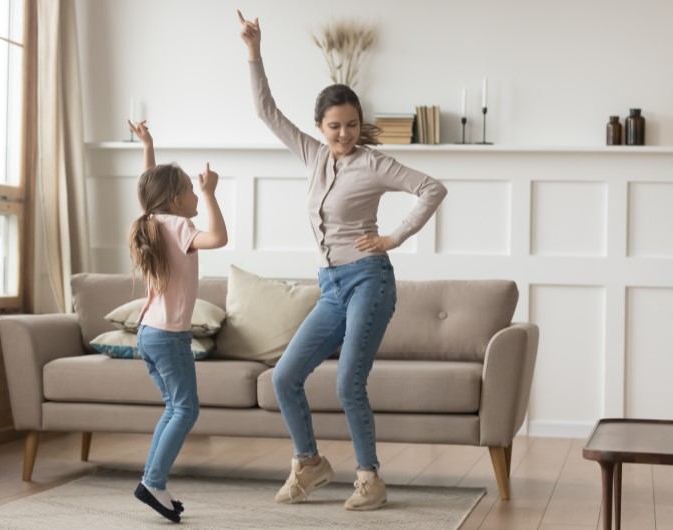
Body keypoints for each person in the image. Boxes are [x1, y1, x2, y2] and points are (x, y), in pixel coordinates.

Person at [237, 12, 447, 511]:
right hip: (330, 287)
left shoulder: (373, 164)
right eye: (335, 126)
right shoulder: (312, 155)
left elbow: (431, 188)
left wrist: (394, 236)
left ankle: (370, 479)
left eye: (352, 125)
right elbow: (267, 112)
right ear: (320, 126)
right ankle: (308, 463)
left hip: (369, 281)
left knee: (348, 379)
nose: (345, 134)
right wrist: (253, 52)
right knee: (285, 376)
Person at [127, 119, 228, 523]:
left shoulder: (152, 222)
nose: (194, 193)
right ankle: (153, 480)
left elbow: (147, 187)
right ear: (174, 198)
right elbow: (218, 238)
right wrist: (211, 193)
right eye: (189, 189)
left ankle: (153, 483)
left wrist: (148, 145)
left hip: (148, 335)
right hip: (169, 337)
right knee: (185, 410)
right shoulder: (181, 226)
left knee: (174, 408)